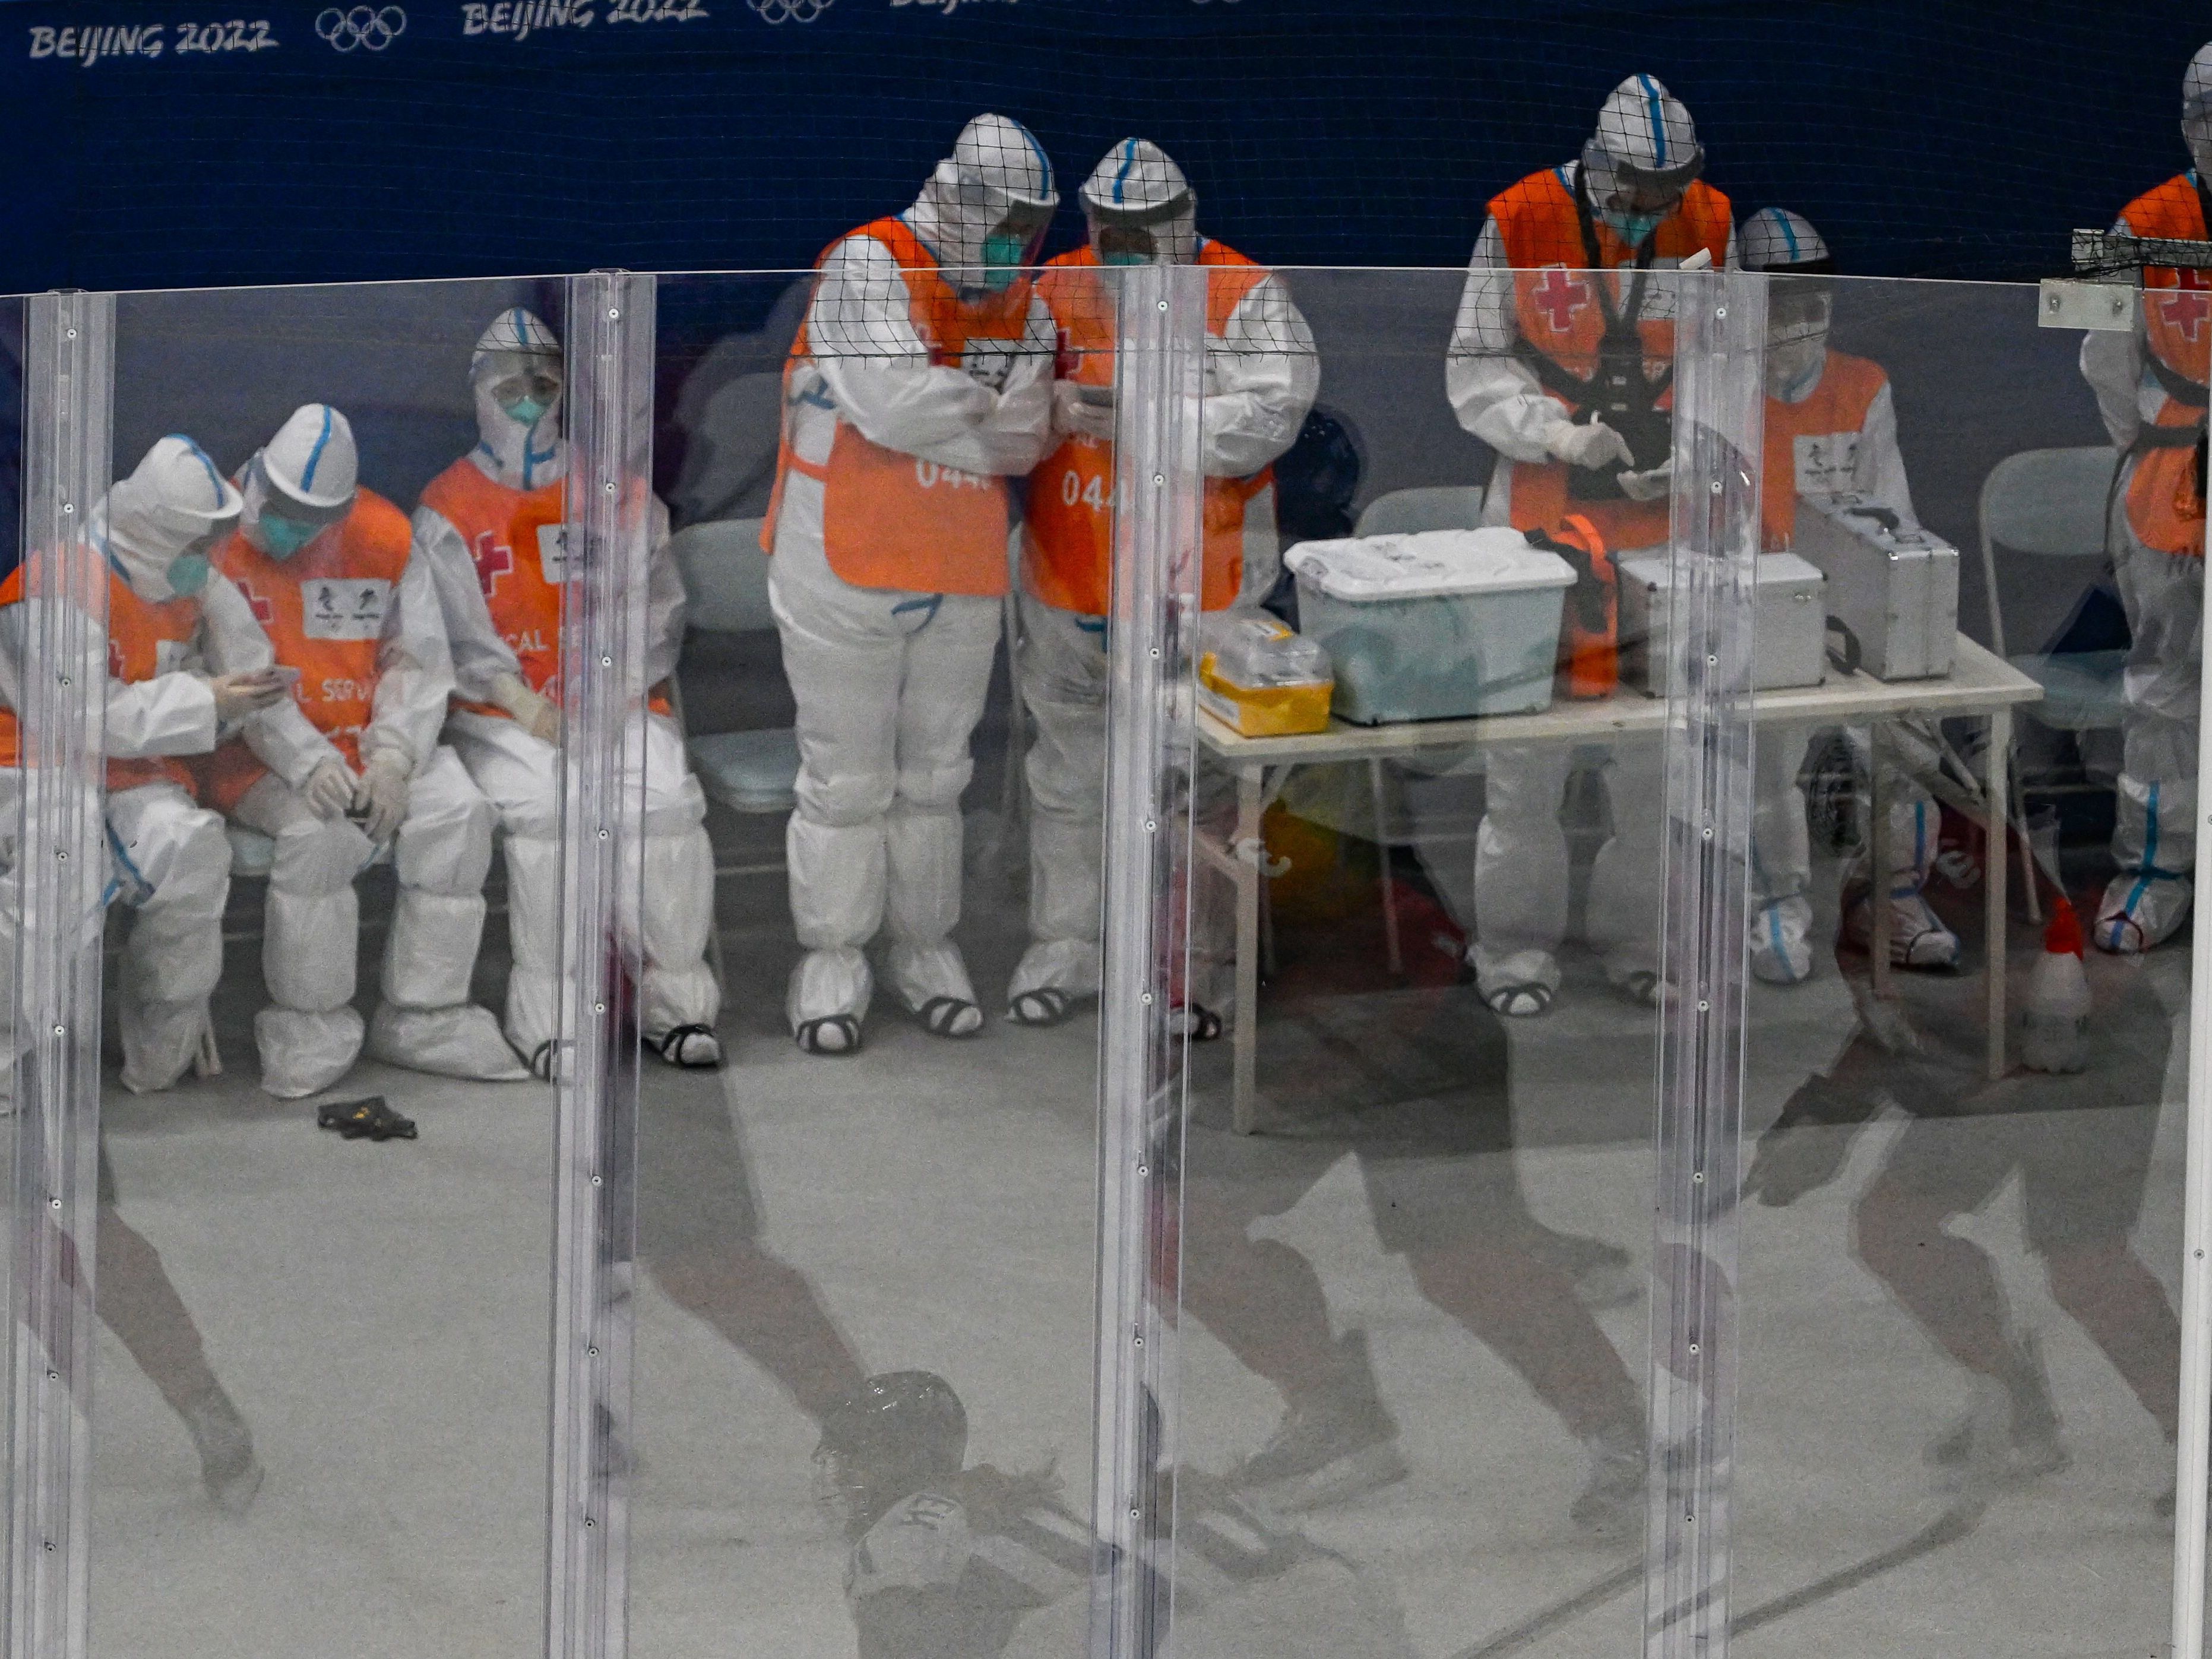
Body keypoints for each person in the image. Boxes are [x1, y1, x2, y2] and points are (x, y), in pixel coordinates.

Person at [1439, 74, 1735, 1016]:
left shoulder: (1711, 219)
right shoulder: (1520, 219)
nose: (1654, 214)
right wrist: (1561, 436)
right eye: (1637, 197)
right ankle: (1514, 955)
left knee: (1658, 761)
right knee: (1525, 760)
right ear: (1601, 171)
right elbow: (1474, 362)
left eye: (1669, 195)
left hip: (1657, 519)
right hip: (1538, 508)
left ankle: (1640, 945)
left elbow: (1726, 360)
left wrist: (1687, 456)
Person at [764, 114, 1056, 1054]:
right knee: (847, 780)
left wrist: (954, 407)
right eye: (1009, 218)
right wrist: (980, 405)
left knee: (937, 778)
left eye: (1035, 222)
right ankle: (834, 962)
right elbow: (886, 400)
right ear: (966, 200)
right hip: (839, 556)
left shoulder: (1030, 301)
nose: (1021, 241)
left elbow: (1026, 437)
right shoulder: (865, 264)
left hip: (961, 562)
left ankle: (925, 949)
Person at [1013, 137, 1316, 1027]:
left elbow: (1271, 416)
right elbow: (1002, 404)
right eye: (1111, 232)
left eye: (1145, 234)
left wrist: (1145, 417)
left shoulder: (1243, 291)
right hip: (1071, 571)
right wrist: (1049, 406)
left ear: (1182, 227)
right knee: (1068, 779)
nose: (1125, 252)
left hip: (1207, 581)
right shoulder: (1053, 288)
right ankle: (1066, 947)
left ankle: (1194, 972)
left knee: (1200, 789)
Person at [417, 308, 723, 1078]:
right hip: (503, 719)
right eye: (510, 384)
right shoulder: (448, 506)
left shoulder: (615, 491)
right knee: (549, 816)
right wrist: (525, 705)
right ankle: (550, 1017)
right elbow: (450, 633)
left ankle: (677, 1006)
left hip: (614, 704)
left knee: (660, 808)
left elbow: (653, 606)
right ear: (480, 391)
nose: (528, 399)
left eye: (544, 383)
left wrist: (611, 689)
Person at [200, 403, 523, 1098]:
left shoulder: (382, 537)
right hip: (259, 747)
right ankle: (309, 1025)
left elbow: (416, 659)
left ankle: (424, 1014)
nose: (290, 526)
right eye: (280, 506)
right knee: (323, 835)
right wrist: (311, 763)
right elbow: (243, 674)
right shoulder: (216, 537)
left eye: (311, 516)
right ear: (258, 479)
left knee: (459, 814)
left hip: (372, 733)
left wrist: (394, 760)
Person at [0, 435, 291, 1093]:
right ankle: (5, 1054)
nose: (208, 558)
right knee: (61, 864)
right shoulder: (57, 584)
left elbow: (250, 660)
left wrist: (240, 693)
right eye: (197, 542)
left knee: (191, 847)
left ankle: (167, 1047)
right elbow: (78, 716)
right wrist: (205, 696)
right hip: (34, 766)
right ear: (153, 529)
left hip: (129, 770)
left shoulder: (182, 574)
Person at [1736, 207, 1956, 982]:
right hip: (1760, 611)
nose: (1797, 318)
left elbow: (1890, 516)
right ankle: (1775, 908)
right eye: (1779, 300)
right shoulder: (1718, 393)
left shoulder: (1864, 386)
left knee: (1907, 726)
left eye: (1811, 297)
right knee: (1768, 748)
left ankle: (1889, 897)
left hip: (1851, 613)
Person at [2076, 42, 2212, 954]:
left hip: (2170, 462)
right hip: (2172, 480)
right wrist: (2152, 444)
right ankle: (2153, 873)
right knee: (2162, 692)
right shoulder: (2136, 226)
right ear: (2189, 124)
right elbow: (2101, 362)